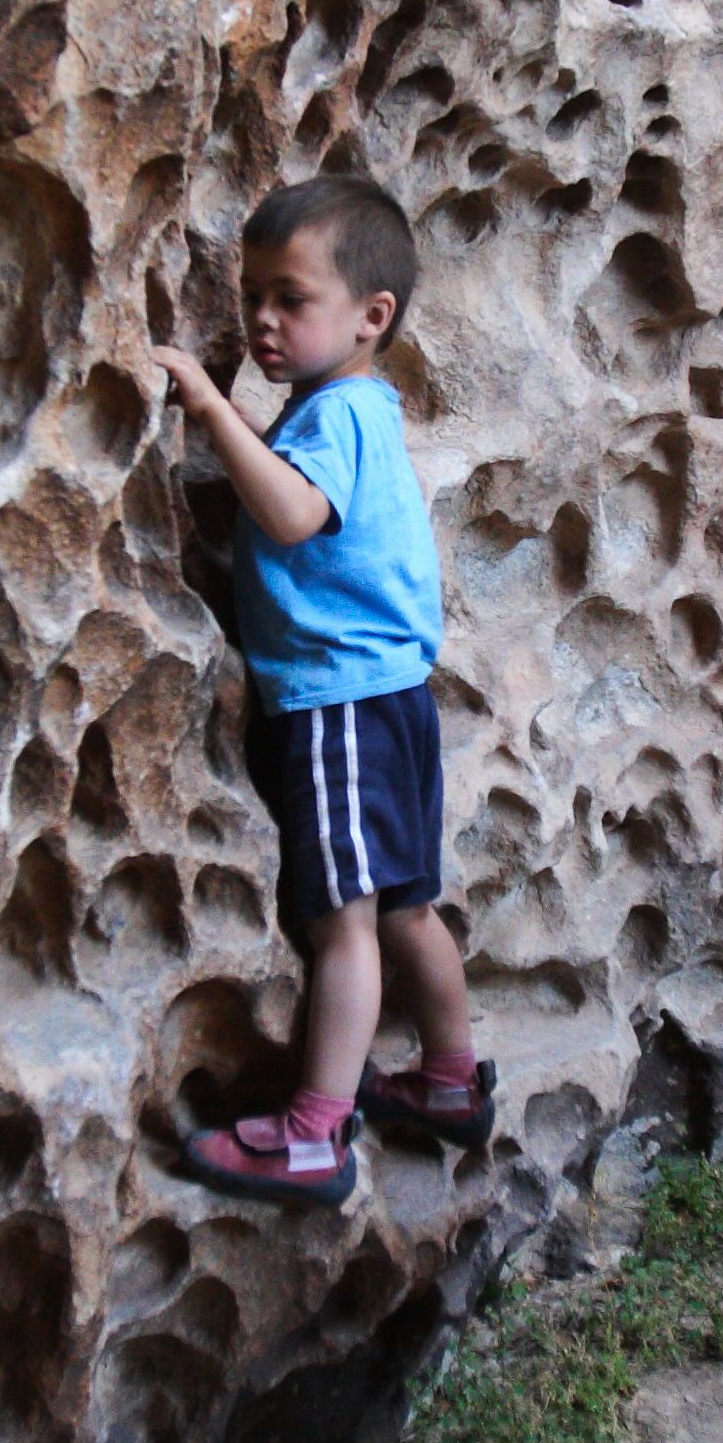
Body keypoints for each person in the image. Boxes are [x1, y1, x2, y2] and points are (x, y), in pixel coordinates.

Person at [149, 175, 494, 1207]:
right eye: (250, 293)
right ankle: (448, 1079)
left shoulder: (333, 413)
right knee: (405, 908)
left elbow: (295, 515)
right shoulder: (357, 404)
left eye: (288, 298)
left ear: (370, 317)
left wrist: (211, 408)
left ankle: (312, 1134)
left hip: (340, 702)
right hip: (391, 698)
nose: (259, 318)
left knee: (344, 919)